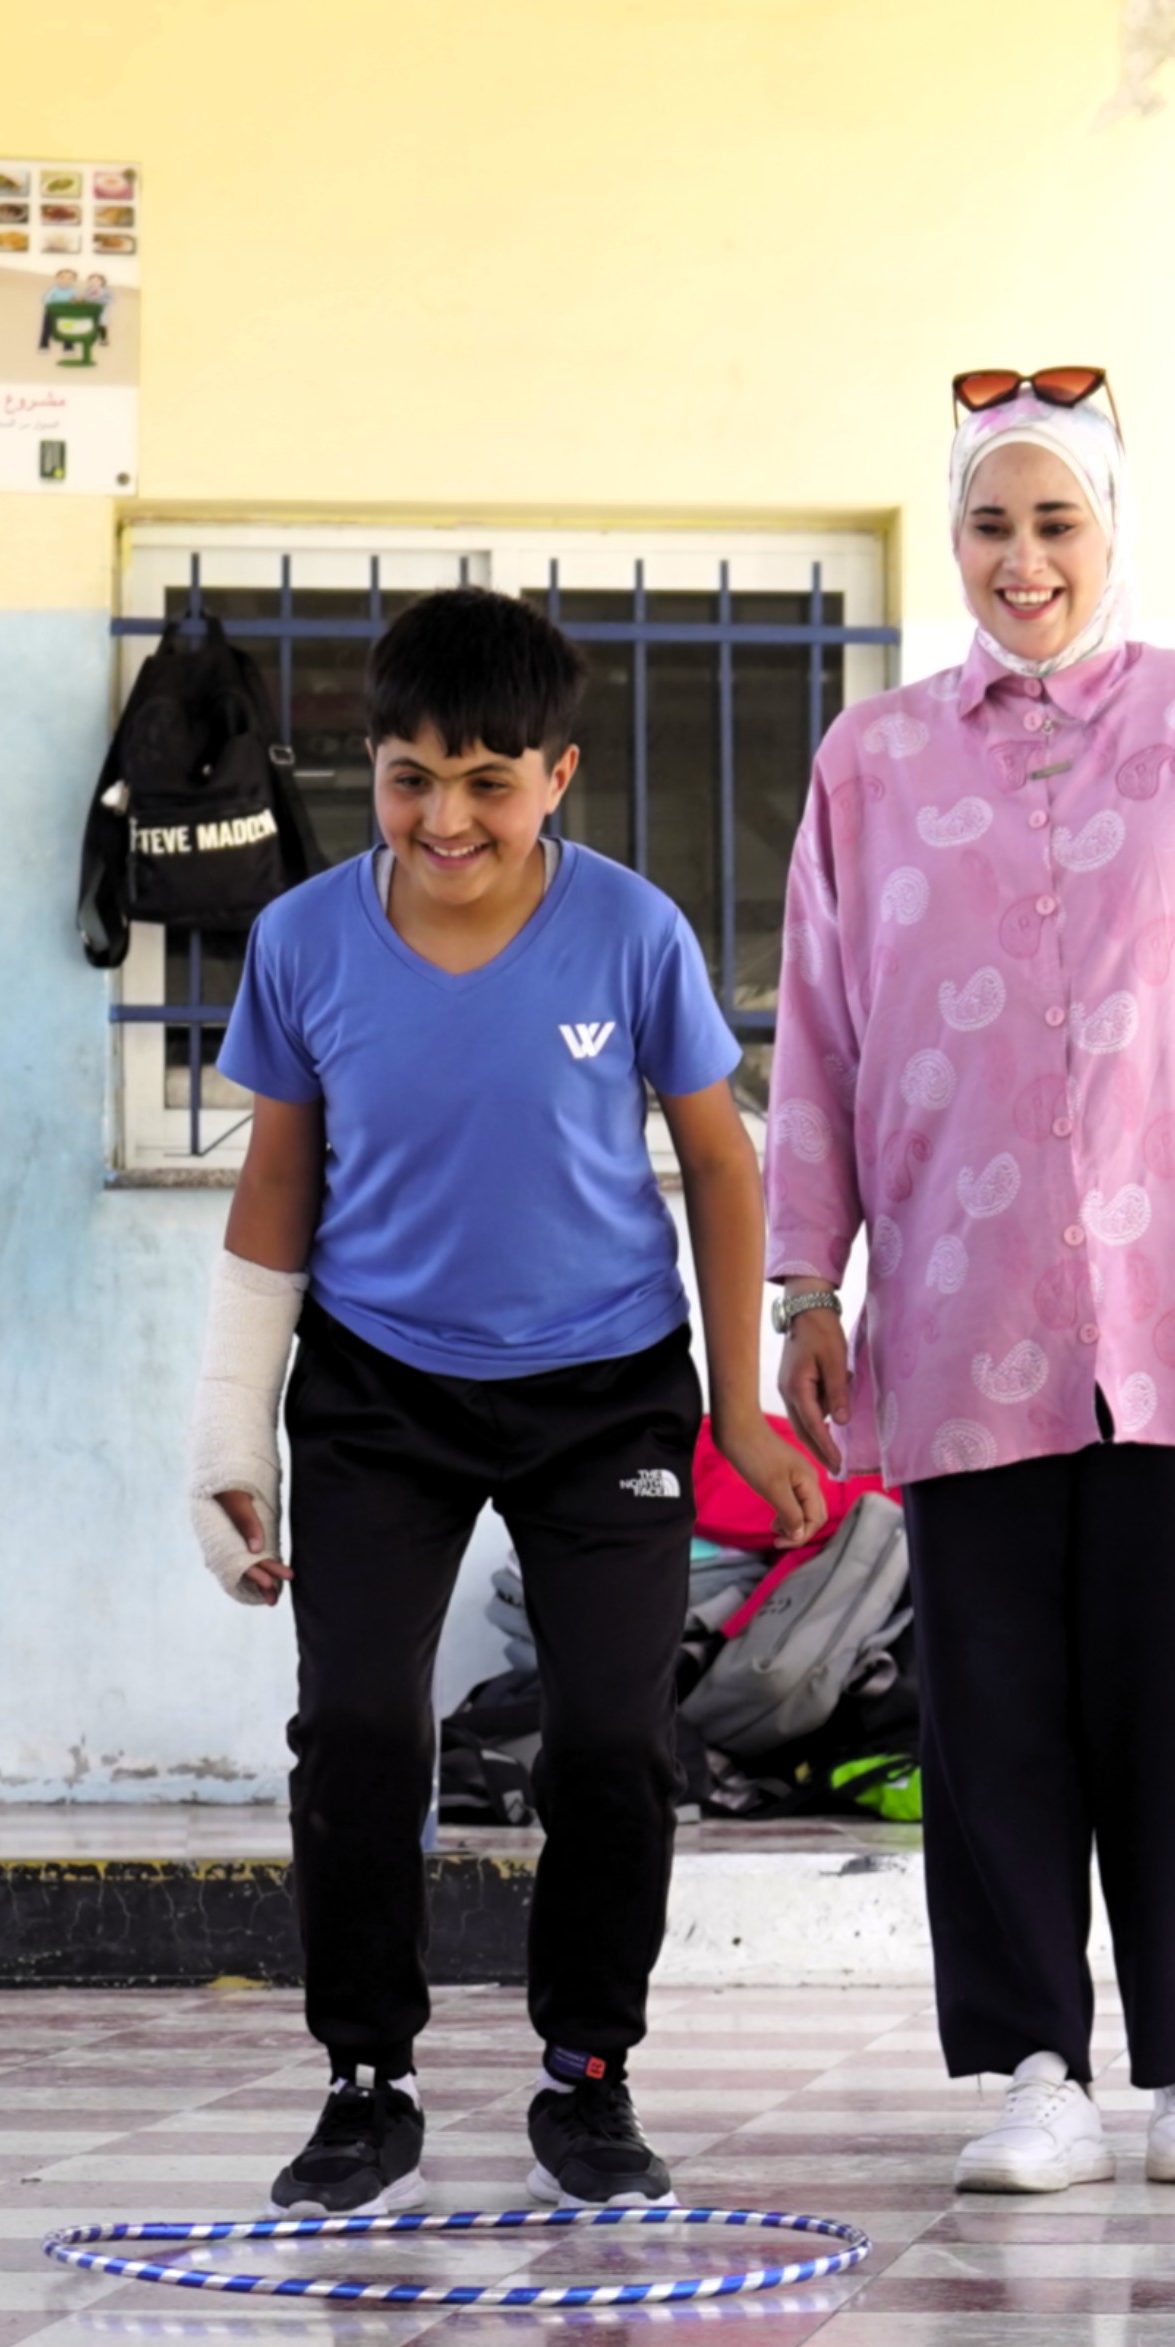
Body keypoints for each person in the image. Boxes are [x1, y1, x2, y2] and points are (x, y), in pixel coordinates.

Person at [765, 371, 1175, 2196]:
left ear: (1113, 533)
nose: (1023, 560)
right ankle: (1036, 2066)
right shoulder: (870, 766)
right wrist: (806, 1285)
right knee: (992, 1707)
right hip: (971, 1320)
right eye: (991, 524)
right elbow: (815, 1039)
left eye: (1056, 523)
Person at [190, 585, 824, 2213]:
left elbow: (721, 1159)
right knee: (355, 1731)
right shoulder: (303, 938)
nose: (444, 817)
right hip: (376, 1393)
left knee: (613, 1740)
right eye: (409, 778)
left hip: (603, 1395)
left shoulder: (631, 931)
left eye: (486, 782)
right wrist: (226, 1435)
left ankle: (589, 2072)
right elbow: (275, 1185)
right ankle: (364, 2077)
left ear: (555, 776)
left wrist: (739, 1413)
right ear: (370, 773)